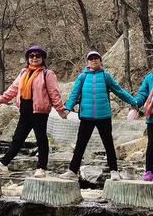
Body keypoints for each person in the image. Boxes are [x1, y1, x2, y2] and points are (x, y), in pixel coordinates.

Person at [0, 46, 67, 178]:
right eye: (31, 56)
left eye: (37, 56)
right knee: (17, 138)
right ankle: (3, 164)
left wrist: (60, 110)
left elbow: (54, 93)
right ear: (28, 59)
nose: (34, 58)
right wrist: (0, 101)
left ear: (42, 59)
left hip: (39, 111)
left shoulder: (47, 74)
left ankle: (41, 168)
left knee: (41, 139)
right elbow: (13, 89)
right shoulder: (23, 73)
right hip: (25, 111)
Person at [59, 51, 137, 181]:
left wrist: (133, 102)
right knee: (80, 145)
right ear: (88, 62)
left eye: (96, 58)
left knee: (108, 145)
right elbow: (74, 94)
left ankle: (114, 171)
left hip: (104, 117)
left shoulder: (106, 76)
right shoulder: (82, 77)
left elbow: (119, 91)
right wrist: (67, 108)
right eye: (91, 59)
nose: (94, 60)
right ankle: (72, 171)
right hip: (86, 117)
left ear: (100, 61)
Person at [132, 71, 153, 181]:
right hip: (152, 118)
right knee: (151, 145)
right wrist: (136, 104)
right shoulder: (149, 78)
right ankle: (149, 171)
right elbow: (143, 94)